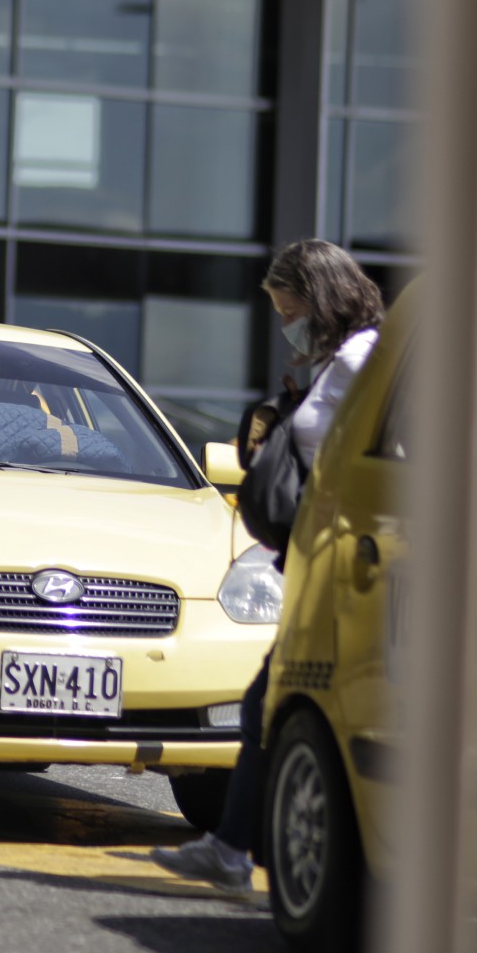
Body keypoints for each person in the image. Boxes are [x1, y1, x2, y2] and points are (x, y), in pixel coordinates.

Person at [151, 239, 385, 891]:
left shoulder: (360, 360)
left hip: (346, 569)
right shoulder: (343, 361)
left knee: (279, 703)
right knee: (271, 702)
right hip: (321, 563)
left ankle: (244, 850)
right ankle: (236, 847)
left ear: (322, 299)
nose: (287, 325)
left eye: (291, 311)